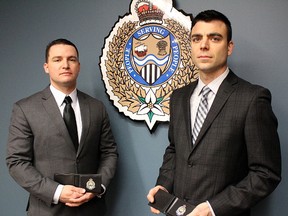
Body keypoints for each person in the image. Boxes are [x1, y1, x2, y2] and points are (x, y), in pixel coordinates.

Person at [147, 10, 281, 216]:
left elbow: (265, 174)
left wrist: (213, 208)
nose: (204, 45)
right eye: (197, 38)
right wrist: (163, 185)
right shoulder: (179, 97)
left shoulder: (253, 98)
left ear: (229, 47)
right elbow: (174, 150)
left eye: (214, 38)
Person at [6, 38, 118, 216]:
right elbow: (17, 162)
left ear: (78, 66)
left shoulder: (96, 107)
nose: (65, 65)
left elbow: (109, 153)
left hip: (92, 210)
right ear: (46, 67)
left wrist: (97, 187)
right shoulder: (25, 109)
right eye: (57, 60)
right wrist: (57, 192)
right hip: (47, 210)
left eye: (71, 59)